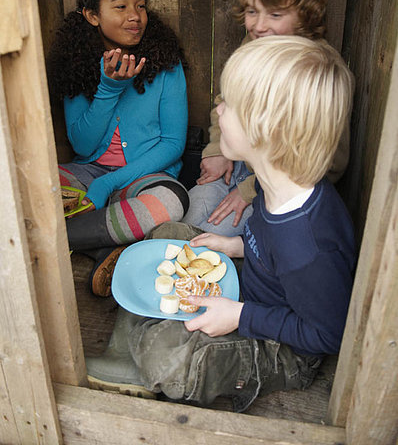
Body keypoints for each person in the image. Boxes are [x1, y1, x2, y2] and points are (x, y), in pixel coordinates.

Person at [85, 35, 357, 412]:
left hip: (284, 348)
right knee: (167, 236)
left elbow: (327, 333)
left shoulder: (309, 244)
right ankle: (127, 345)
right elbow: (268, 242)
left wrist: (240, 315)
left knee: (167, 355)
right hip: (256, 287)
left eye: (228, 103)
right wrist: (236, 246)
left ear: (265, 128)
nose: (218, 106)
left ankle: (143, 354)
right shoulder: (274, 179)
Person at [183, 0, 351, 236]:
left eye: (275, 14)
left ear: (306, 14)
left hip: (278, 188)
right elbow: (226, 102)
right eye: (252, 11)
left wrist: (249, 191)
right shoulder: (254, 48)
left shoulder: (319, 72)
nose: (259, 26)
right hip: (236, 162)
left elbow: (326, 164)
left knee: (211, 235)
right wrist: (216, 150)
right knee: (191, 216)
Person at [47, 0, 189, 297]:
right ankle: (105, 247)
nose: (135, 16)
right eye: (120, 6)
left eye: (140, 6)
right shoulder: (78, 62)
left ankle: (47, 240)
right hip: (87, 169)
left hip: (146, 174)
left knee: (172, 201)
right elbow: (82, 142)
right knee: (33, 188)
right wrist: (108, 88)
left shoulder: (165, 62)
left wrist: (109, 182)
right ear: (92, 15)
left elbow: (172, 144)